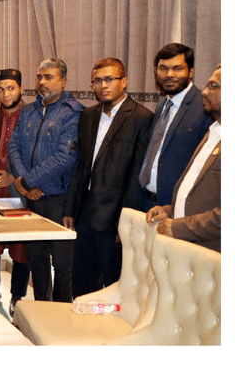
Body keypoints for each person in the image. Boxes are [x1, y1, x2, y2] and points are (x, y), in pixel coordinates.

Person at [63, 58, 153, 298]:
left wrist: (126, 221)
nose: (103, 85)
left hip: (115, 218)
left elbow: (137, 176)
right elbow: (81, 165)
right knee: (82, 284)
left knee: (114, 287)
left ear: (124, 81)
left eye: (109, 79)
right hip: (85, 213)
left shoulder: (141, 117)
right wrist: (71, 208)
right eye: (97, 81)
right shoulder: (88, 115)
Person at [8, 58, 84, 303]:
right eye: (39, 77)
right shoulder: (29, 110)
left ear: (63, 81)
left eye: (48, 77)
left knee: (62, 264)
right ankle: (40, 309)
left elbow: (65, 157)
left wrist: (26, 182)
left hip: (59, 199)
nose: (42, 82)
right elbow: (14, 146)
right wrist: (24, 183)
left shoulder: (73, 112)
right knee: (37, 261)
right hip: (33, 199)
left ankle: (61, 315)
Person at [146, 65, 221, 252]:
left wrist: (180, 227)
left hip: (212, 253)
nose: (205, 92)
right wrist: (170, 211)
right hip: (190, 250)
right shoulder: (214, 132)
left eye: (214, 86)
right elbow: (202, 195)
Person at [138, 43, 213, 211]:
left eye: (177, 68)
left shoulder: (205, 107)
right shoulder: (162, 106)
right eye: (163, 68)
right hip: (147, 202)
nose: (169, 75)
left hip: (178, 207)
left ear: (191, 72)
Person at [0, 68, 30, 313]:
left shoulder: (32, 115)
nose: (5, 94)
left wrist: (14, 177)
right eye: (1, 89)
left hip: (19, 189)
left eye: (11, 88)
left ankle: (17, 298)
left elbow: (36, 154)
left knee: (22, 249)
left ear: (21, 89)